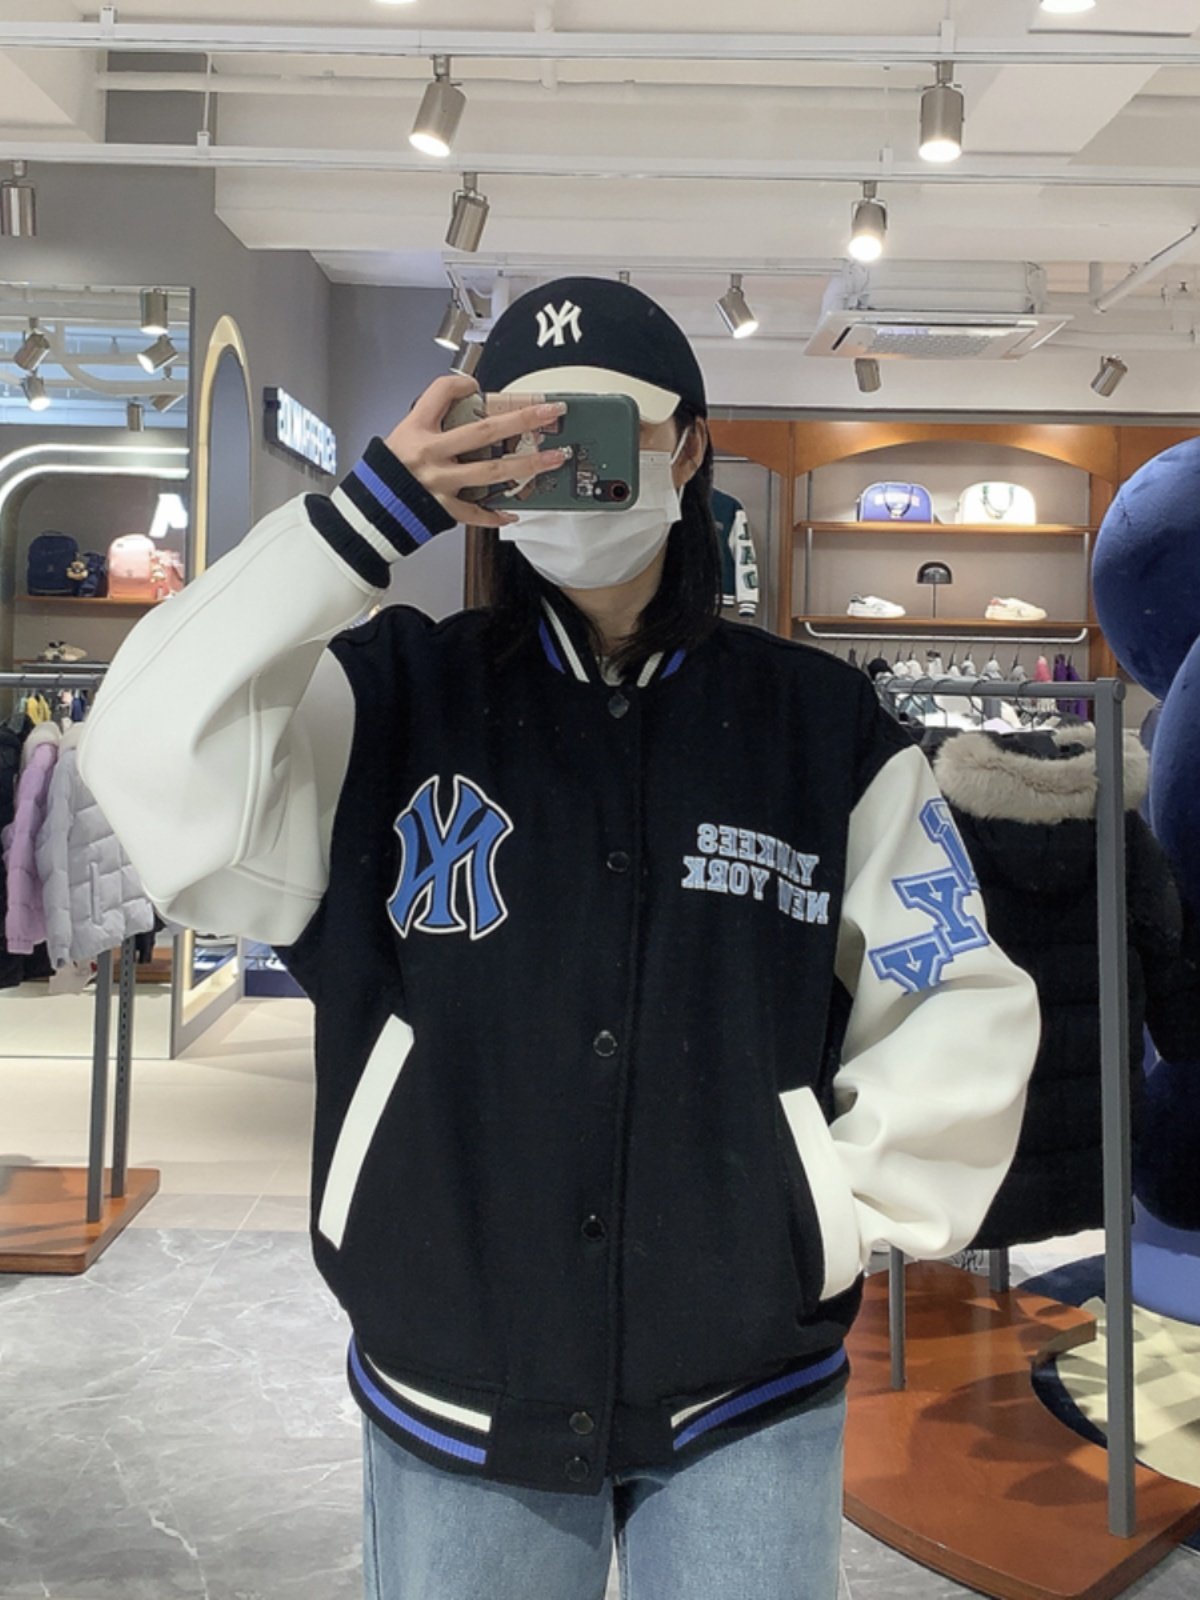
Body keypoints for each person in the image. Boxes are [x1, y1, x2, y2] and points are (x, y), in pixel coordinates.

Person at [78, 277, 1039, 1600]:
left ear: (687, 449)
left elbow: (952, 992)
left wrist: (828, 1210)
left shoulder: (821, 729)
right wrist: (370, 514)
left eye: (598, 431)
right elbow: (141, 756)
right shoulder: (390, 698)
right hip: (458, 1368)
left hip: (746, 1389)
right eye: (522, 438)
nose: (563, 470)